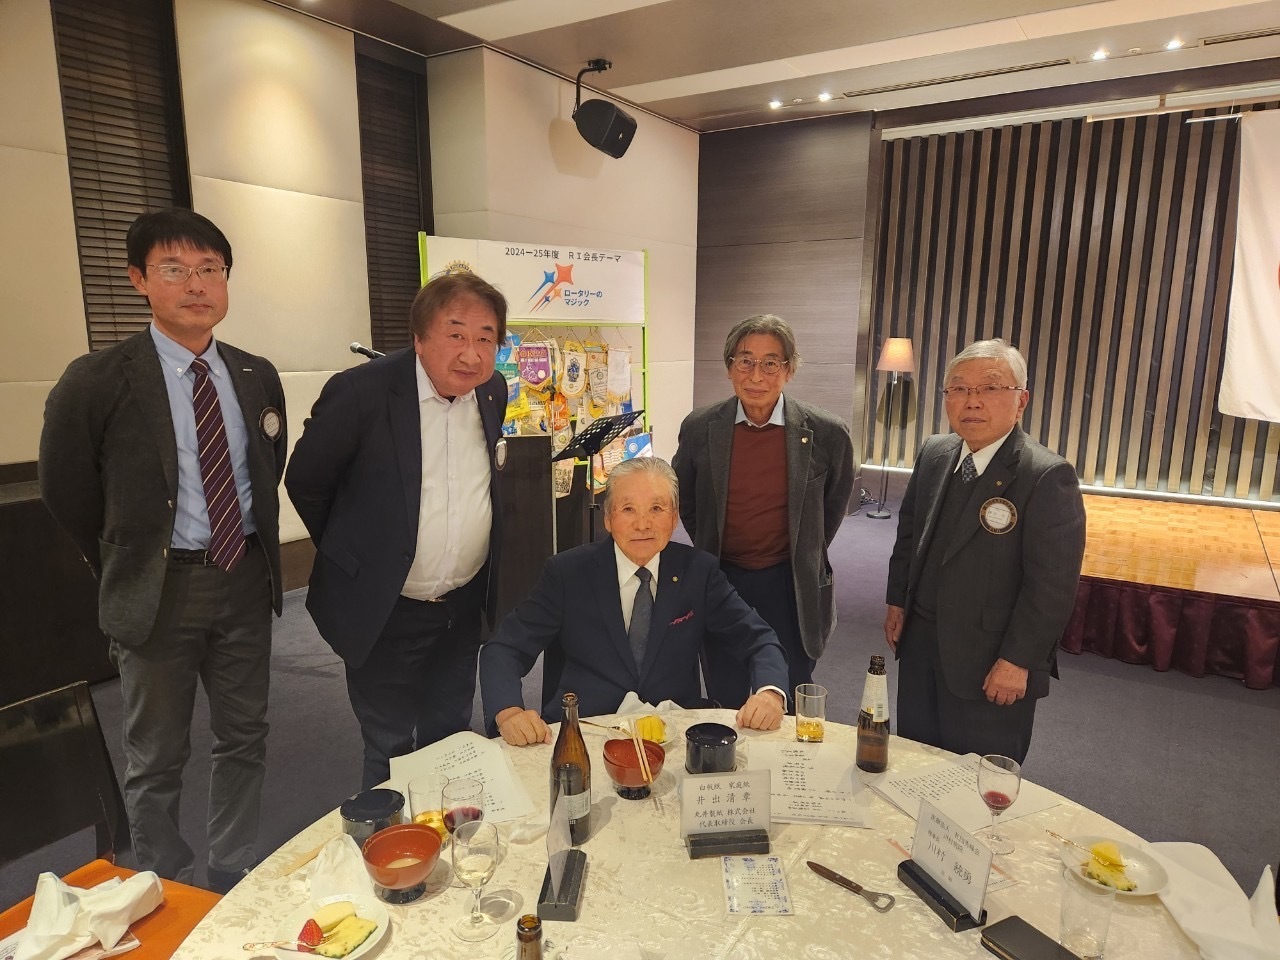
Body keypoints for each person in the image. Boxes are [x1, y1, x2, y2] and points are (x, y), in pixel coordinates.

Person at [39, 209, 287, 892]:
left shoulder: (255, 373)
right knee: (156, 754)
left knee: (245, 735)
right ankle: (162, 882)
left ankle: (233, 866)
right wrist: (131, 555)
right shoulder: (97, 379)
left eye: (211, 269)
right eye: (175, 269)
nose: (196, 284)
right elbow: (66, 490)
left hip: (243, 576)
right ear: (139, 280)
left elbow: (267, 466)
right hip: (157, 589)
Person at [285, 271, 508, 789]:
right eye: (455, 334)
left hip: (461, 607)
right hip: (386, 609)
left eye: (486, 338)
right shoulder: (361, 392)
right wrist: (361, 557)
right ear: (419, 337)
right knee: (388, 746)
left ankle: (447, 834)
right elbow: (307, 482)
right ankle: (391, 838)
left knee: (450, 737)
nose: (471, 354)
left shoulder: (492, 390)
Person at [480, 457, 789, 746]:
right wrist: (509, 712)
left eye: (656, 508)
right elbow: (505, 648)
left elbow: (758, 639)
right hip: (588, 732)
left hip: (673, 732)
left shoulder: (698, 571)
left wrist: (770, 694)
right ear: (608, 518)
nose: (643, 524)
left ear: (674, 516)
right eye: (628, 509)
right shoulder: (567, 573)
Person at [884, 338, 1085, 763]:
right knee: (914, 763)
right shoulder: (935, 453)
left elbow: (1052, 586)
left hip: (990, 661)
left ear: (1021, 400)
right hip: (921, 646)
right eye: (959, 388)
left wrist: (1018, 660)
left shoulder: (1045, 475)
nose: (972, 401)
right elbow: (909, 534)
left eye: (990, 388)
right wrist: (897, 600)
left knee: (978, 778)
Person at [672, 314, 854, 707]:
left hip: (790, 582)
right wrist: (712, 545)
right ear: (729, 367)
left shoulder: (827, 432)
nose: (757, 375)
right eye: (745, 361)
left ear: (789, 370)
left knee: (789, 688)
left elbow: (833, 505)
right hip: (723, 578)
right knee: (725, 687)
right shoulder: (700, 428)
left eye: (771, 363)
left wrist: (803, 548)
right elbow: (687, 500)